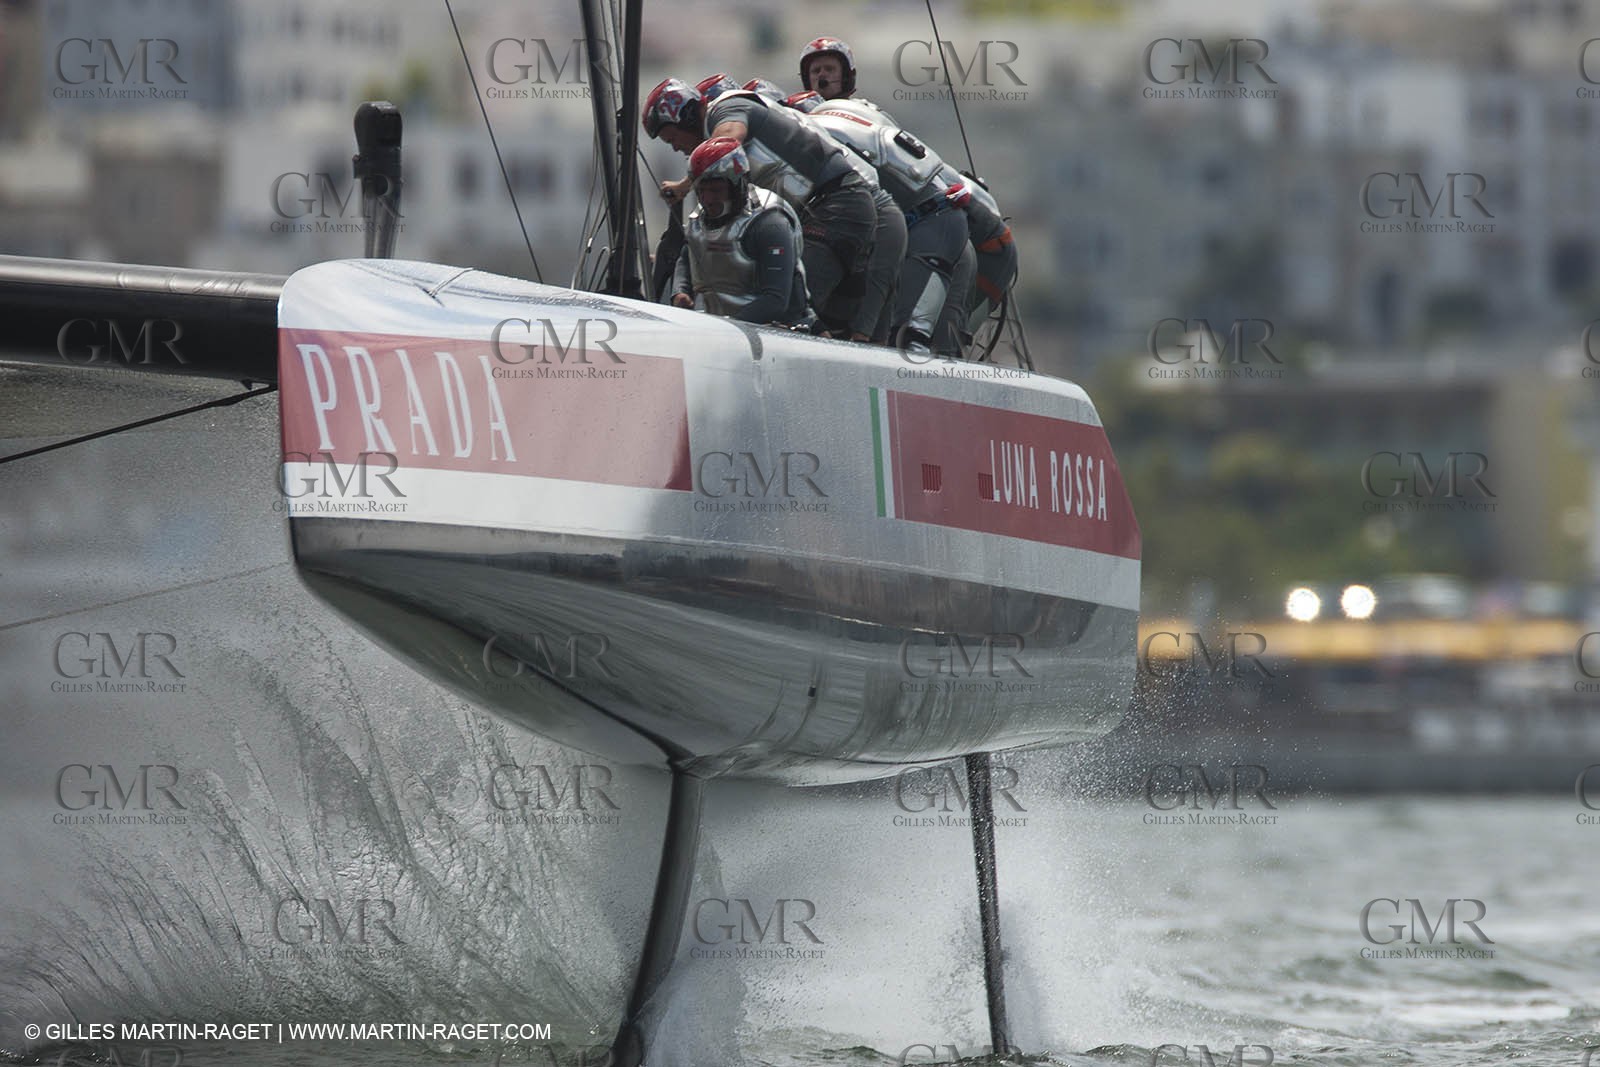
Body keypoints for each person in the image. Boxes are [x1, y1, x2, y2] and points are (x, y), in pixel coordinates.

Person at [642, 75, 878, 336]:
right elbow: (691, 251)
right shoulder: (711, 212)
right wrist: (680, 290)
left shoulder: (726, 109)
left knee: (793, 310)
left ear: (685, 118)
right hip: (827, 209)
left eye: (672, 138)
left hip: (836, 206)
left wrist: (685, 184)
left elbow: (728, 140)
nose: (675, 148)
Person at [805, 96, 968, 355]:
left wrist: (865, 331)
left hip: (934, 227)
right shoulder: (865, 136)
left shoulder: (826, 137)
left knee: (910, 341)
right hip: (933, 224)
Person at [670, 137, 808, 326]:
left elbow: (775, 300)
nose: (708, 199)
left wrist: (725, 329)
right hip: (720, 328)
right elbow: (687, 256)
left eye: (716, 190)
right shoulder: (699, 218)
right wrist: (680, 291)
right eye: (702, 190)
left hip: (775, 332)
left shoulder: (770, 223)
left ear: (738, 186)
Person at [797, 36, 894, 122]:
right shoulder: (797, 117)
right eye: (816, 70)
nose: (822, 74)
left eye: (829, 69)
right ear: (807, 79)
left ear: (846, 76)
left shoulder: (869, 112)